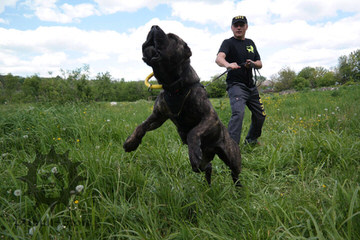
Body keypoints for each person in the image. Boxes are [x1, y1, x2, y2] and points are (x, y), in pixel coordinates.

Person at [215, 15, 266, 145]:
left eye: (241, 25)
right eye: (236, 25)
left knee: (260, 115)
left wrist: (253, 63)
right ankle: (231, 147)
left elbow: (260, 62)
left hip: (251, 86)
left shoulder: (250, 43)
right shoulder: (228, 43)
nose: (238, 28)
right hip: (236, 85)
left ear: (246, 27)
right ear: (232, 28)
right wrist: (228, 64)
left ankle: (251, 140)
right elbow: (219, 58)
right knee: (238, 113)